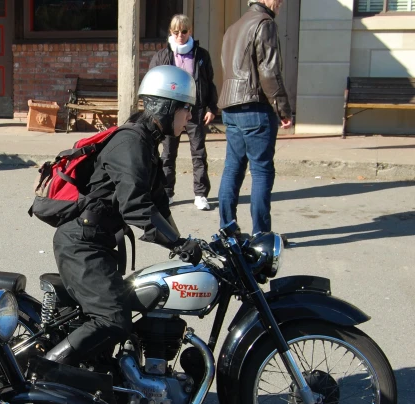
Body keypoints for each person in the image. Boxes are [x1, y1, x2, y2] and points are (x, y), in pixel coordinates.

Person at [44, 65, 203, 364]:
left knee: (132, 310)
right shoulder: (132, 144)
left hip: (97, 242)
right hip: (82, 246)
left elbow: (158, 206)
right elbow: (136, 206)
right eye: (186, 108)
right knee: (113, 321)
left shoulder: (147, 143)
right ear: (165, 107)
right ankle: (43, 371)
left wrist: (183, 241)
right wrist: (178, 246)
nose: (190, 116)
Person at [217, 0, 292, 235]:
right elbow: (269, 72)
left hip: (230, 105)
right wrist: (283, 109)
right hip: (254, 106)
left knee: (233, 168)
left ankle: (227, 229)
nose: (281, 4)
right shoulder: (265, 23)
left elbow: (226, 66)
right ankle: (262, 234)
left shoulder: (234, 27)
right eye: (279, 0)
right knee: (261, 170)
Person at [149, 14, 218, 212]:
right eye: (176, 32)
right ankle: (167, 192)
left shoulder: (201, 55)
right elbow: (154, 83)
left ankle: (200, 194)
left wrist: (212, 108)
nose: (180, 35)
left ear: (190, 31)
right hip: (170, 112)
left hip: (195, 110)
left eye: (184, 31)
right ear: (171, 32)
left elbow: (209, 82)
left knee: (199, 153)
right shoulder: (162, 56)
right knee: (168, 154)